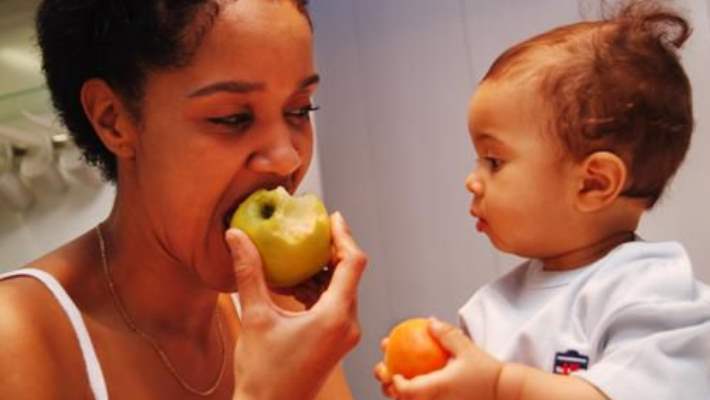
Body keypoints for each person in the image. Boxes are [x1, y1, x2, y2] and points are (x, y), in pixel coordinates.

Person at [0, 0, 367, 399]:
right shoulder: (16, 337)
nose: (287, 156)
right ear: (112, 118)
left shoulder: (281, 313)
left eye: (299, 109)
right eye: (232, 118)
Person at [375, 1, 710, 399]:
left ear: (594, 183)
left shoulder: (651, 292)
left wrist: (499, 386)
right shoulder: (489, 309)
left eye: (494, 161)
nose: (472, 181)